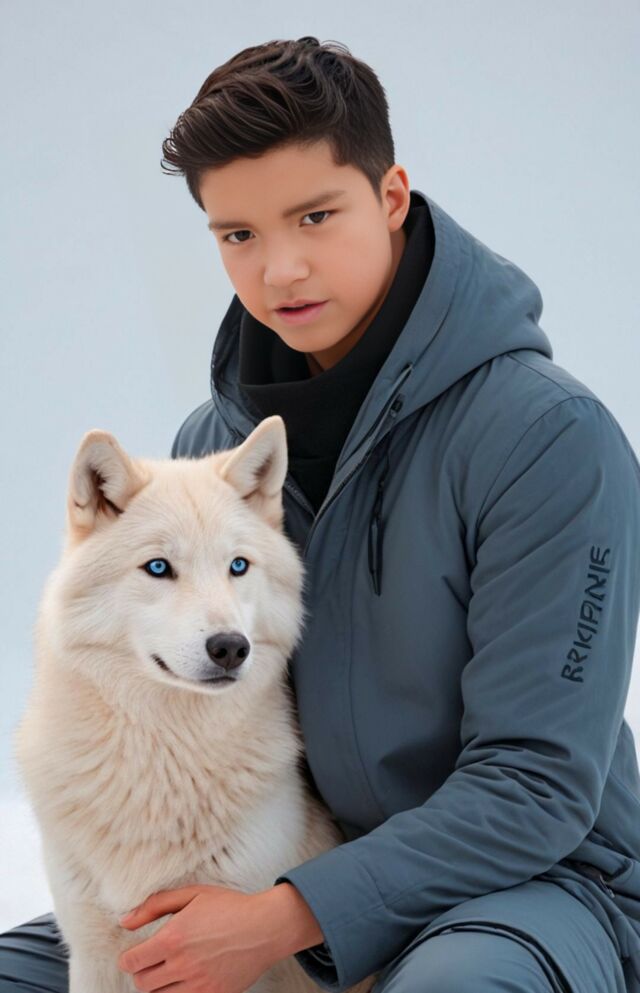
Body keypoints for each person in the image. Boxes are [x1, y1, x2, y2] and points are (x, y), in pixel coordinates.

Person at [2, 34, 640, 993]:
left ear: (391, 197)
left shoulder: (548, 439)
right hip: (287, 860)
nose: (281, 270)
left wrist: (283, 916)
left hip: (531, 885)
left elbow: (538, 786)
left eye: (314, 215)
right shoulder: (215, 450)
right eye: (239, 235)